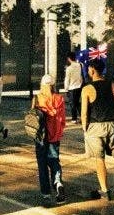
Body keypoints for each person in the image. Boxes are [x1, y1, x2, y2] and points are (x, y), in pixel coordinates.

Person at [81, 58, 114, 201]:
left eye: (89, 69)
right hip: (112, 124)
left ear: (92, 70)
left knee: (100, 159)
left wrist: (85, 128)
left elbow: (84, 113)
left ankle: (105, 190)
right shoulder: (113, 86)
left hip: (95, 127)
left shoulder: (87, 89)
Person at [33, 73, 66, 204]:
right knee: (54, 161)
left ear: (42, 85)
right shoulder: (59, 99)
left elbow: (32, 119)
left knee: (42, 164)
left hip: (41, 137)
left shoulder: (37, 98)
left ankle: (46, 193)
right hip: (54, 136)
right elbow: (62, 119)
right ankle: (58, 184)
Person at [64, 52, 83, 124]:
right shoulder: (80, 65)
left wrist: (66, 89)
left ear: (69, 58)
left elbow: (67, 79)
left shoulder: (69, 68)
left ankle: (74, 118)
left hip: (72, 88)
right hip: (79, 86)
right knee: (77, 103)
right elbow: (81, 76)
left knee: (72, 104)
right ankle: (82, 116)